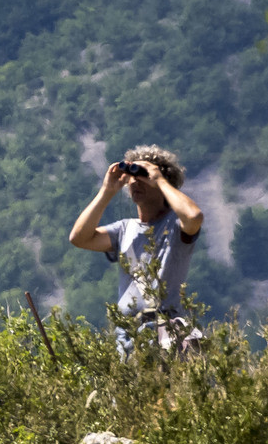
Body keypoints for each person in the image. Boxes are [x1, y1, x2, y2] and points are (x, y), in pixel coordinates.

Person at [69, 144, 205, 354]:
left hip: (164, 330)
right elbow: (79, 238)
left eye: (141, 177)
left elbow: (194, 216)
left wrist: (159, 180)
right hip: (129, 333)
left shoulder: (175, 226)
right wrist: (107, 191)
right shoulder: (124, 229)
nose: (134, 182)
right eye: (132, 177)